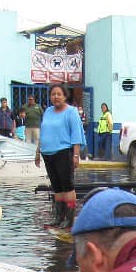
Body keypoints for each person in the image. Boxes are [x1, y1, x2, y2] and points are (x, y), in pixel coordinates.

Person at [34, 84, 85, 228]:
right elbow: (43, 133)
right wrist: (38, 152)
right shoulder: (48, 111)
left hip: (64, 152)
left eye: (59, 94)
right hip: (48, 153)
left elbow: (76, 134)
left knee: (67, 186)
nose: (56, 97)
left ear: (65, 96)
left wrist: (76, 155)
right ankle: (58, 217)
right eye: (53, 94)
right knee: (56, 187)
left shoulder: (71, 112)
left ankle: (69, 219)